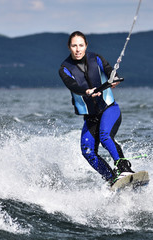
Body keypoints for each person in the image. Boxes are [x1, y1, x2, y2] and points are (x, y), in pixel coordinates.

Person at [58, 31, 134, 186]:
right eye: (74, 46)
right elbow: (72, 85)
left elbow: (109, 70)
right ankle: (112, 179)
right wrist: (86, 91)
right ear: (69, 47)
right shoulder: (64, 69)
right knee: (87, 151)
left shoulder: (96, 58)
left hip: (109, 110)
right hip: (91, 117)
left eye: (81, 45)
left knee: (105, 136)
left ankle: (124, 168)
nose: (78, 49)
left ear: (86, 46)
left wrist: (114, 79)